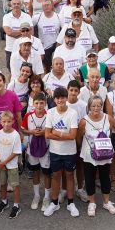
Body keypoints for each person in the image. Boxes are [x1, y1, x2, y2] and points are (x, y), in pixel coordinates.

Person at [43, 86, 80, 217]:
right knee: (56, 176)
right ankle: (54, 203)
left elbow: (72, 136)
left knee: (69, 176)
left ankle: (71, 203)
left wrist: (56, 132)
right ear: (54, 99)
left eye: (63, 97)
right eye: (58, 98)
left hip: (69, 151)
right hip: (55, 151)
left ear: (66, 98)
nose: (60, 100)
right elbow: (47, 134)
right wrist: (64, 134)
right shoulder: (50, 112)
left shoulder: (72, 113)